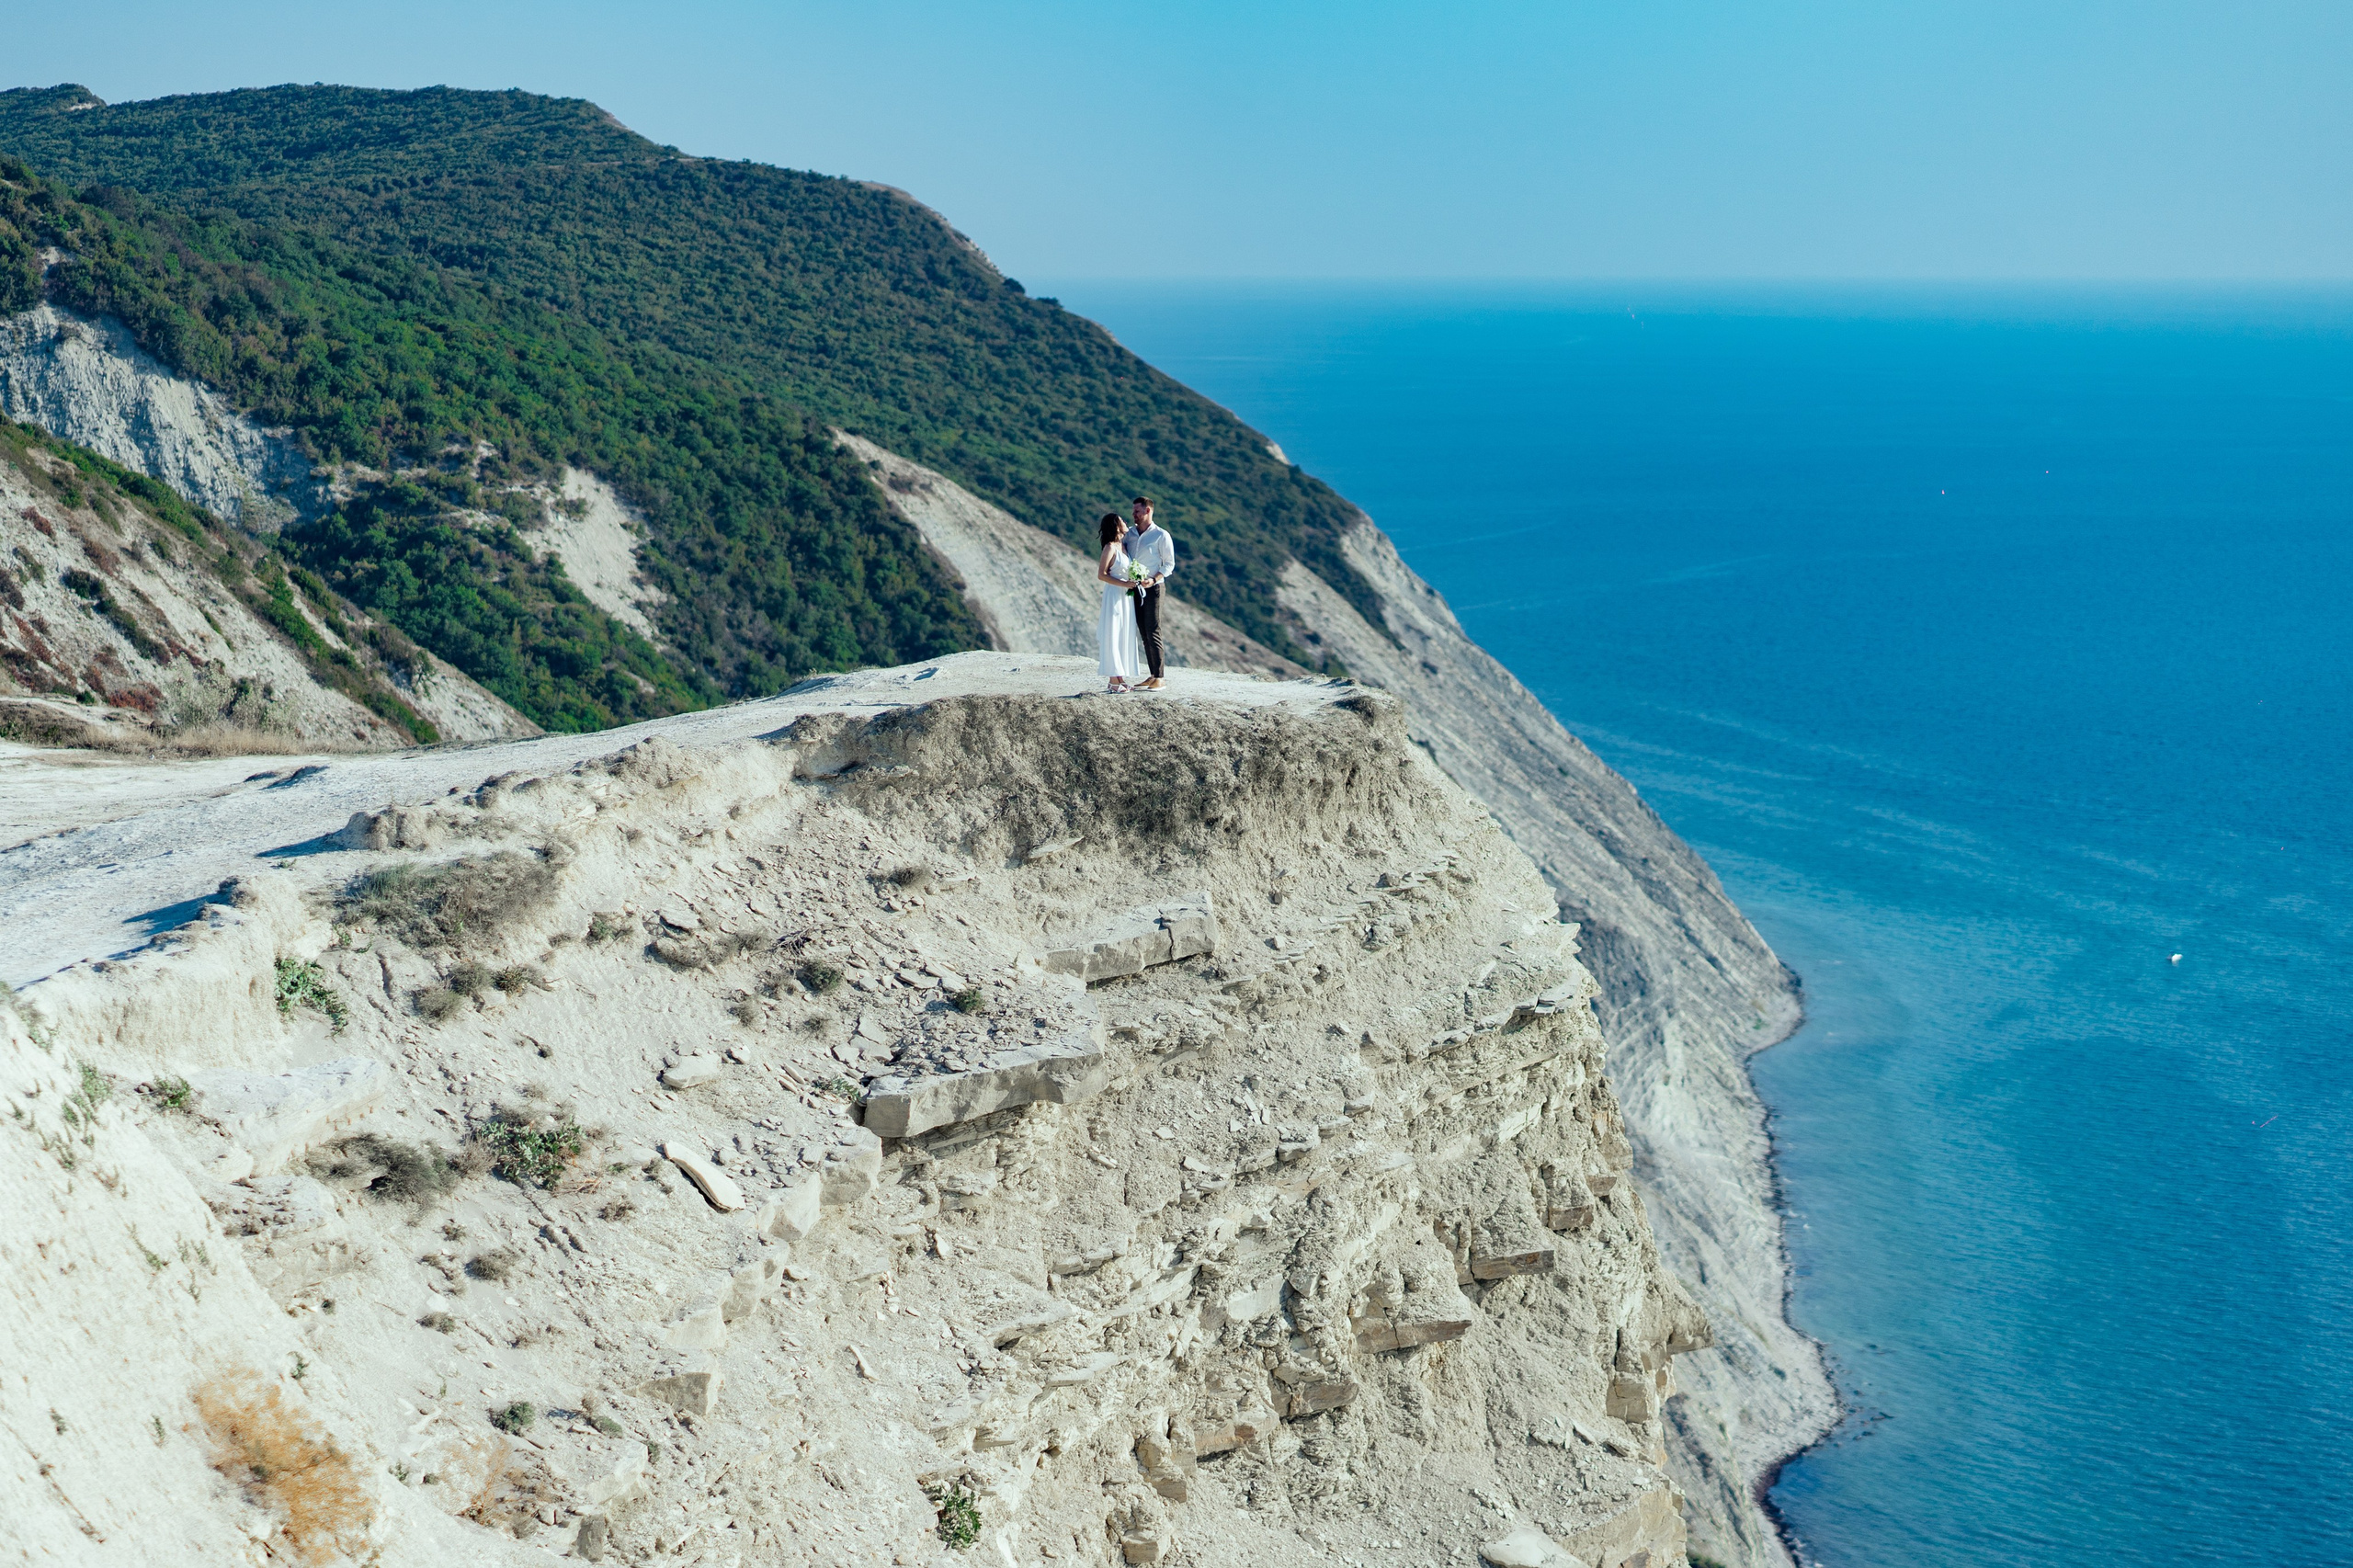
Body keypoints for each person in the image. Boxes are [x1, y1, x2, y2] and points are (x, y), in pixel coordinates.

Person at [1127, 495, 1175, 689]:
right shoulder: (1129, 534)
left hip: (1154, 588)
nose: (1134, 515)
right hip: (1134, 589)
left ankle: (1160, 677)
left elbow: (1169, 563)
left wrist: (1153, 579)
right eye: (1133, 511)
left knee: (1153, 629)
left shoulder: (1161, 535)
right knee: (1144, 632)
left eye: (1137, 511)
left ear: (1148, 511)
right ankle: (1152, 674)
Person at [1095, 511, 1143, 691]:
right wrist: (1124, 583)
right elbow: (1102, 574)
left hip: (1126, 597)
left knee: (1123, 634)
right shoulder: (1110, 548)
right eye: (1121, 520)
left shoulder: (1123, 546)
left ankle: (1119, 678)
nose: (1125, 522)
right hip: (1114, 595)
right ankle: (1113, 681)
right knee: (1113, 634)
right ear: (1115, 526)